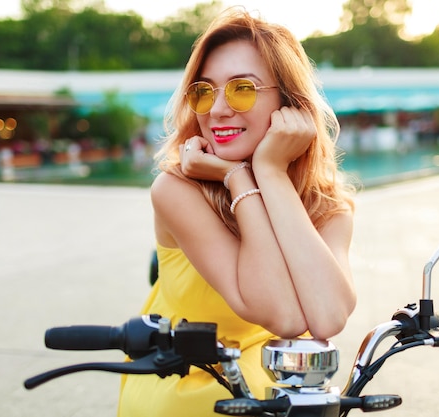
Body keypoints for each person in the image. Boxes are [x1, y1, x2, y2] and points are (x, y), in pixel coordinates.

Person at [118, 7, 356, 416]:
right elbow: (281, 315)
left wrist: (270, 173)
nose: (217, 110)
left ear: (289, 102)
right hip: (184, 391)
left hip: (274, 395)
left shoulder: (326, 205)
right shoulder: (177, 189)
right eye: (204, 91)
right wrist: (239, 179)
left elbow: (328, 316)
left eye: (242, 89)